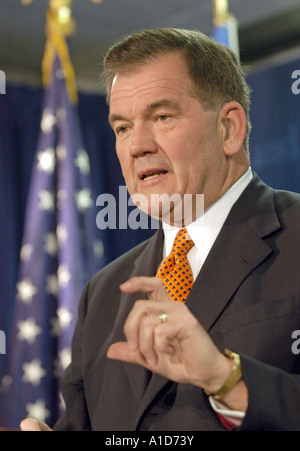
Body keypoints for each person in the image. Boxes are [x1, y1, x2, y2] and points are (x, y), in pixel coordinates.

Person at [21, 28, 300, 431]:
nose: (137, 146)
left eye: (161, 117)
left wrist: (227, 381)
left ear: (229, 129)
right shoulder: (102, 294)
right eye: (122, 128)